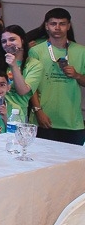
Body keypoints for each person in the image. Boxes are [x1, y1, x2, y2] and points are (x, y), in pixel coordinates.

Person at [30, 8, 85, 144]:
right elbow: (31, 86)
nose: (57, 27)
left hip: (72, 122)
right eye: (53, 23)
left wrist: (77, 75)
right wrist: (38, 111)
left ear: (68, 26)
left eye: (62, 24)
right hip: (43, 119)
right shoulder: (35, 51)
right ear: (46, 26)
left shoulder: (81, 51)